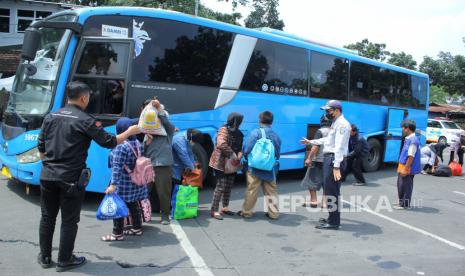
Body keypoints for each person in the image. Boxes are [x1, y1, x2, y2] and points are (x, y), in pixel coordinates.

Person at [37, 81, 140, 272]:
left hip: (47, 175)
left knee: (47, 217)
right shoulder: (85, 120)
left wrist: (49, 165)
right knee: (69, 221)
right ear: (83, 98)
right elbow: (109, 141)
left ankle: (44, 257)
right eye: (89, 97)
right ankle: (64, 260)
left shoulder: (50, 116)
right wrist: (130, 131)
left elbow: (41, 147)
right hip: (71, 178)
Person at [301, 100, 350, 230]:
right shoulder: (336, 123)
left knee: (332, 192)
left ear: (337, 110)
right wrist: (311, 141)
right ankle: (331, 218)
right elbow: (328, 140)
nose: (327, 113)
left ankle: (334, 222)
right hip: (330, 158)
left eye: (329, 111)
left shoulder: (342, 125)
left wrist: (336, 166)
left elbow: (339, 146)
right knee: (329, 191)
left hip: (334, 159)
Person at [101, 118, 149, 241]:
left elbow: (117, 168)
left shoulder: (120, 146)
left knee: (118, 207)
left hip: (124, 184)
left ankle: (117, 234)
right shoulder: (138, 143)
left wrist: (113, 185)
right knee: (133, 205)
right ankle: (137, 228)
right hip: (137, 182)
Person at [238, 111, 282, 220]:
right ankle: (274, 214)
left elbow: (247, 148)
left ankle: (247, 212)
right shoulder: (275, 135)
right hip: (269, 167)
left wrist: (246, 156)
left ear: (259, 120)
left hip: (254, 167)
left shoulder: (255, 133)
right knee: (271, 191)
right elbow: (277, 153)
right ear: (271, 122)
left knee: (252, 190)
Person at [144, 99, 176, 225]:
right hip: (148, 166)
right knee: (145, 191)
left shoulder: (168, 132)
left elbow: (167, 123)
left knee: (163, 192)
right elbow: (143, 150)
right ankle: (145, 214)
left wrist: (159, 110)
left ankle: (165, 216)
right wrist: (147, 142)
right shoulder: (148, 133)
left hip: (163, 165)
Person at [209, 113, 244, 220]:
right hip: (220, 162)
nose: (240, 123)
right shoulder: (223, 130)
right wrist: (232, 154)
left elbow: (240, 148)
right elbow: (221, 144)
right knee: (221, 186)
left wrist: (239, 155)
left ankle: (225, 207)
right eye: (239, 120)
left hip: (232, 164)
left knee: (228, 185)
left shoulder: (239, 133)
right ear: (234, 121)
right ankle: (214, 210)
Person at [301, 115, 331, 208]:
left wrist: (309, 158)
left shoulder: (320, 131)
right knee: (327, 182)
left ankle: (313, 201)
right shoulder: (334, 132)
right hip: (329, 160)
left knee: (311, 180)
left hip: (318, 160)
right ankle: (324, 202)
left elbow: (316, 146)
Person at [394, 120, 421, 210]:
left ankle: (405, 204)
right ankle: (402, 202)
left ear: (408, 129)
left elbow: (411, 157)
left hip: (407, 167)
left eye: (403, 129)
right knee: (401, 184)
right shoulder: (409, 139)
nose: (402, 130)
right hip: (403, 166)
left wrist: (406, 169)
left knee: (405, 185)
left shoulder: (413, 141)